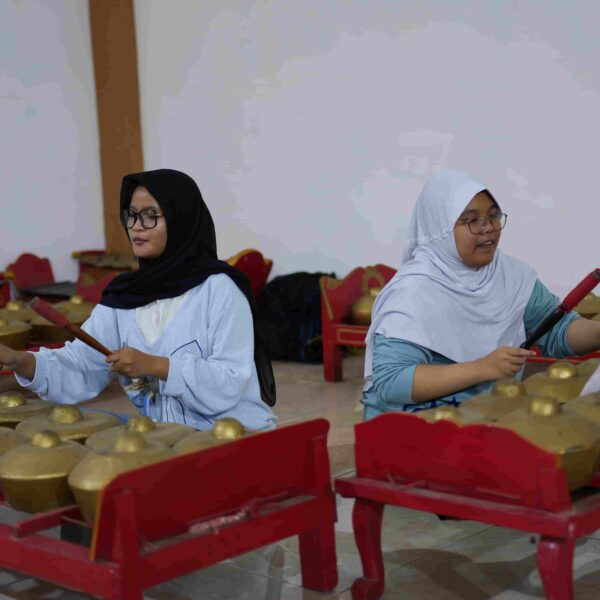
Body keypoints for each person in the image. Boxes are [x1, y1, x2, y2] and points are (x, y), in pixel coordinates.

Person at [0, 169, 276, 431]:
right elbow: (81, 365)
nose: (136, 227)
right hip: (168, 437)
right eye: (131, 215)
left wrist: (157, 366)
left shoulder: (218, 289)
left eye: (150, 216)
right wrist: (20, 360)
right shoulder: (124, 295)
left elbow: (230, 381)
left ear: (180, 220)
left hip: (235, 434)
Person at [362, 168, 600, 419]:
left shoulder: (511, 276)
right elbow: (392, 382)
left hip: (484, 414)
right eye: (471, 220)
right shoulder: (413, 292)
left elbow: (555, 330)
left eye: (493, 215)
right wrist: (482, 368)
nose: (488, 228)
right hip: (412, 423)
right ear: (441, 228)